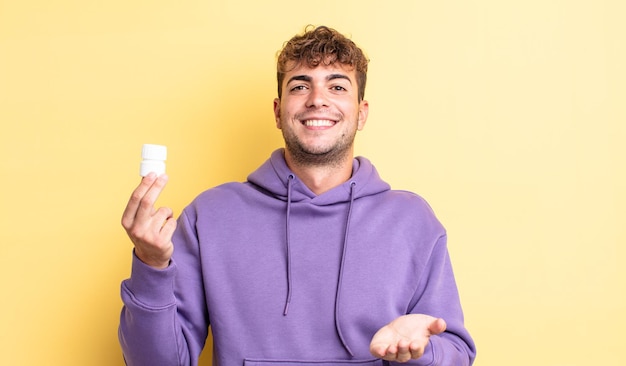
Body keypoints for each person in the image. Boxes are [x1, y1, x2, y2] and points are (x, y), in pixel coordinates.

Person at [119, 25, 476, 366]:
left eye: (337, 87)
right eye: (300, 86)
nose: (317, 100)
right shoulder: (209, 216)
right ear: (278, 112)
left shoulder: (411, 221)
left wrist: (423, 349)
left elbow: (455, 352)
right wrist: (151, 267)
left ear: (361, 114)